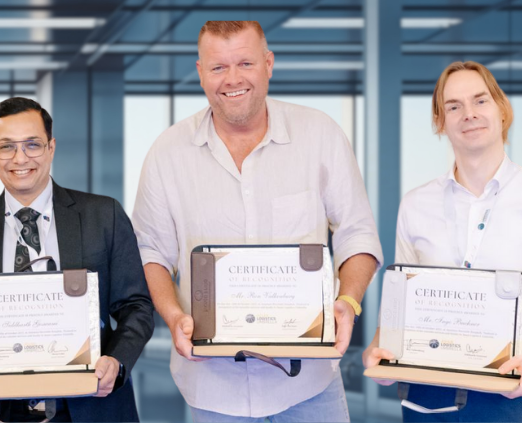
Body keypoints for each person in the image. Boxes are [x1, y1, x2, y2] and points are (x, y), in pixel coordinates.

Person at [131, 21, 382, 422]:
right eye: (218, 67)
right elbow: (150, 253)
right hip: (212, 390)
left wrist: (348, 302)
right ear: (199, 72)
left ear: (268, 64)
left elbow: (358, 234)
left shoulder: (319, 135)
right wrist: (174, 316)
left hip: (310, 386)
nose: (232, 79)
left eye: (245, 63)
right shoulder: (168, 153)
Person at [362, 61, 522, 422]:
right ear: (440, 123)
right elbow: (401, 298)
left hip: (513, 392)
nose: (468, 114)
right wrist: (382, 347)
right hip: (428, 395)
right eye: (454, 106)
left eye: (480, 101)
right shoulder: (415, 204)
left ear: (502, 110)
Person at [0, 97, 155, 422]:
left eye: (32, 145)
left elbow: (136, 306)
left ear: (51, 147)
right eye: (6, 147)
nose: (20, 158)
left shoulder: (103, 215)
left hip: (88, 405)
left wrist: (117, 360)